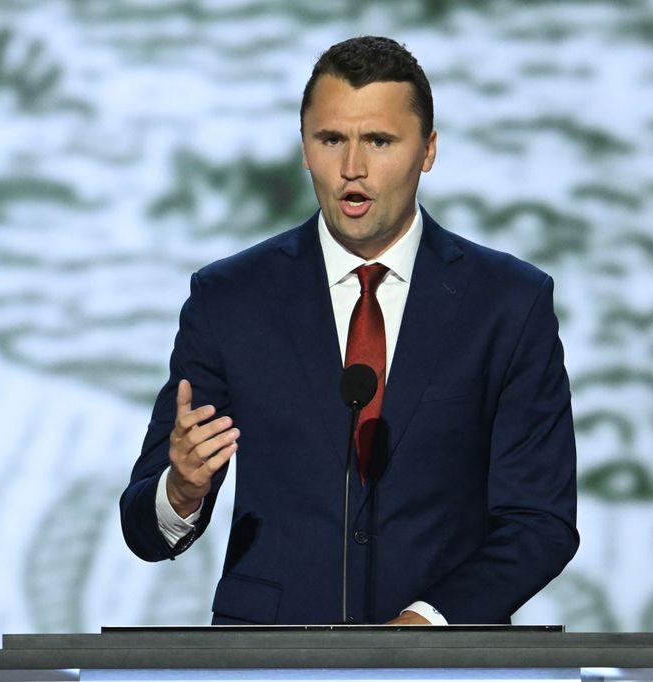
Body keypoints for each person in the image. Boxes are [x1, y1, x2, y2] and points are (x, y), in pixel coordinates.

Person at [120, 36, 579, 625]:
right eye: (331, 139)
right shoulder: (230, 299)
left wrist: (428, 624)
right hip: (270, 660)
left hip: (443, 667)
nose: (352, 169)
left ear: (428, 151)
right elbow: (143, 528)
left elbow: (539, 522)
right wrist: (180, 491)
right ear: (305, 150)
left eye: (379, 141)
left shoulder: (508, 304)